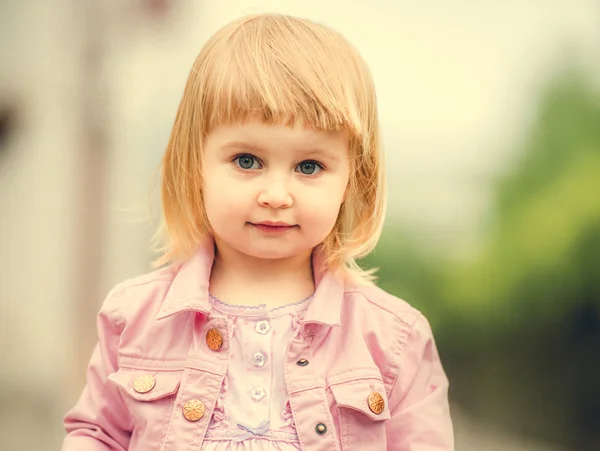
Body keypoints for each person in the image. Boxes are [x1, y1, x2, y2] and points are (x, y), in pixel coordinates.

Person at [62, 13, 454, 451]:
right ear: (195, 166)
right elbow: (97, 434)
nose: (276, 194)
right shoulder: (133, 316)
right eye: (247, 160)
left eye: (309, 166)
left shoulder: (392, 337)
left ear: (353, 180)